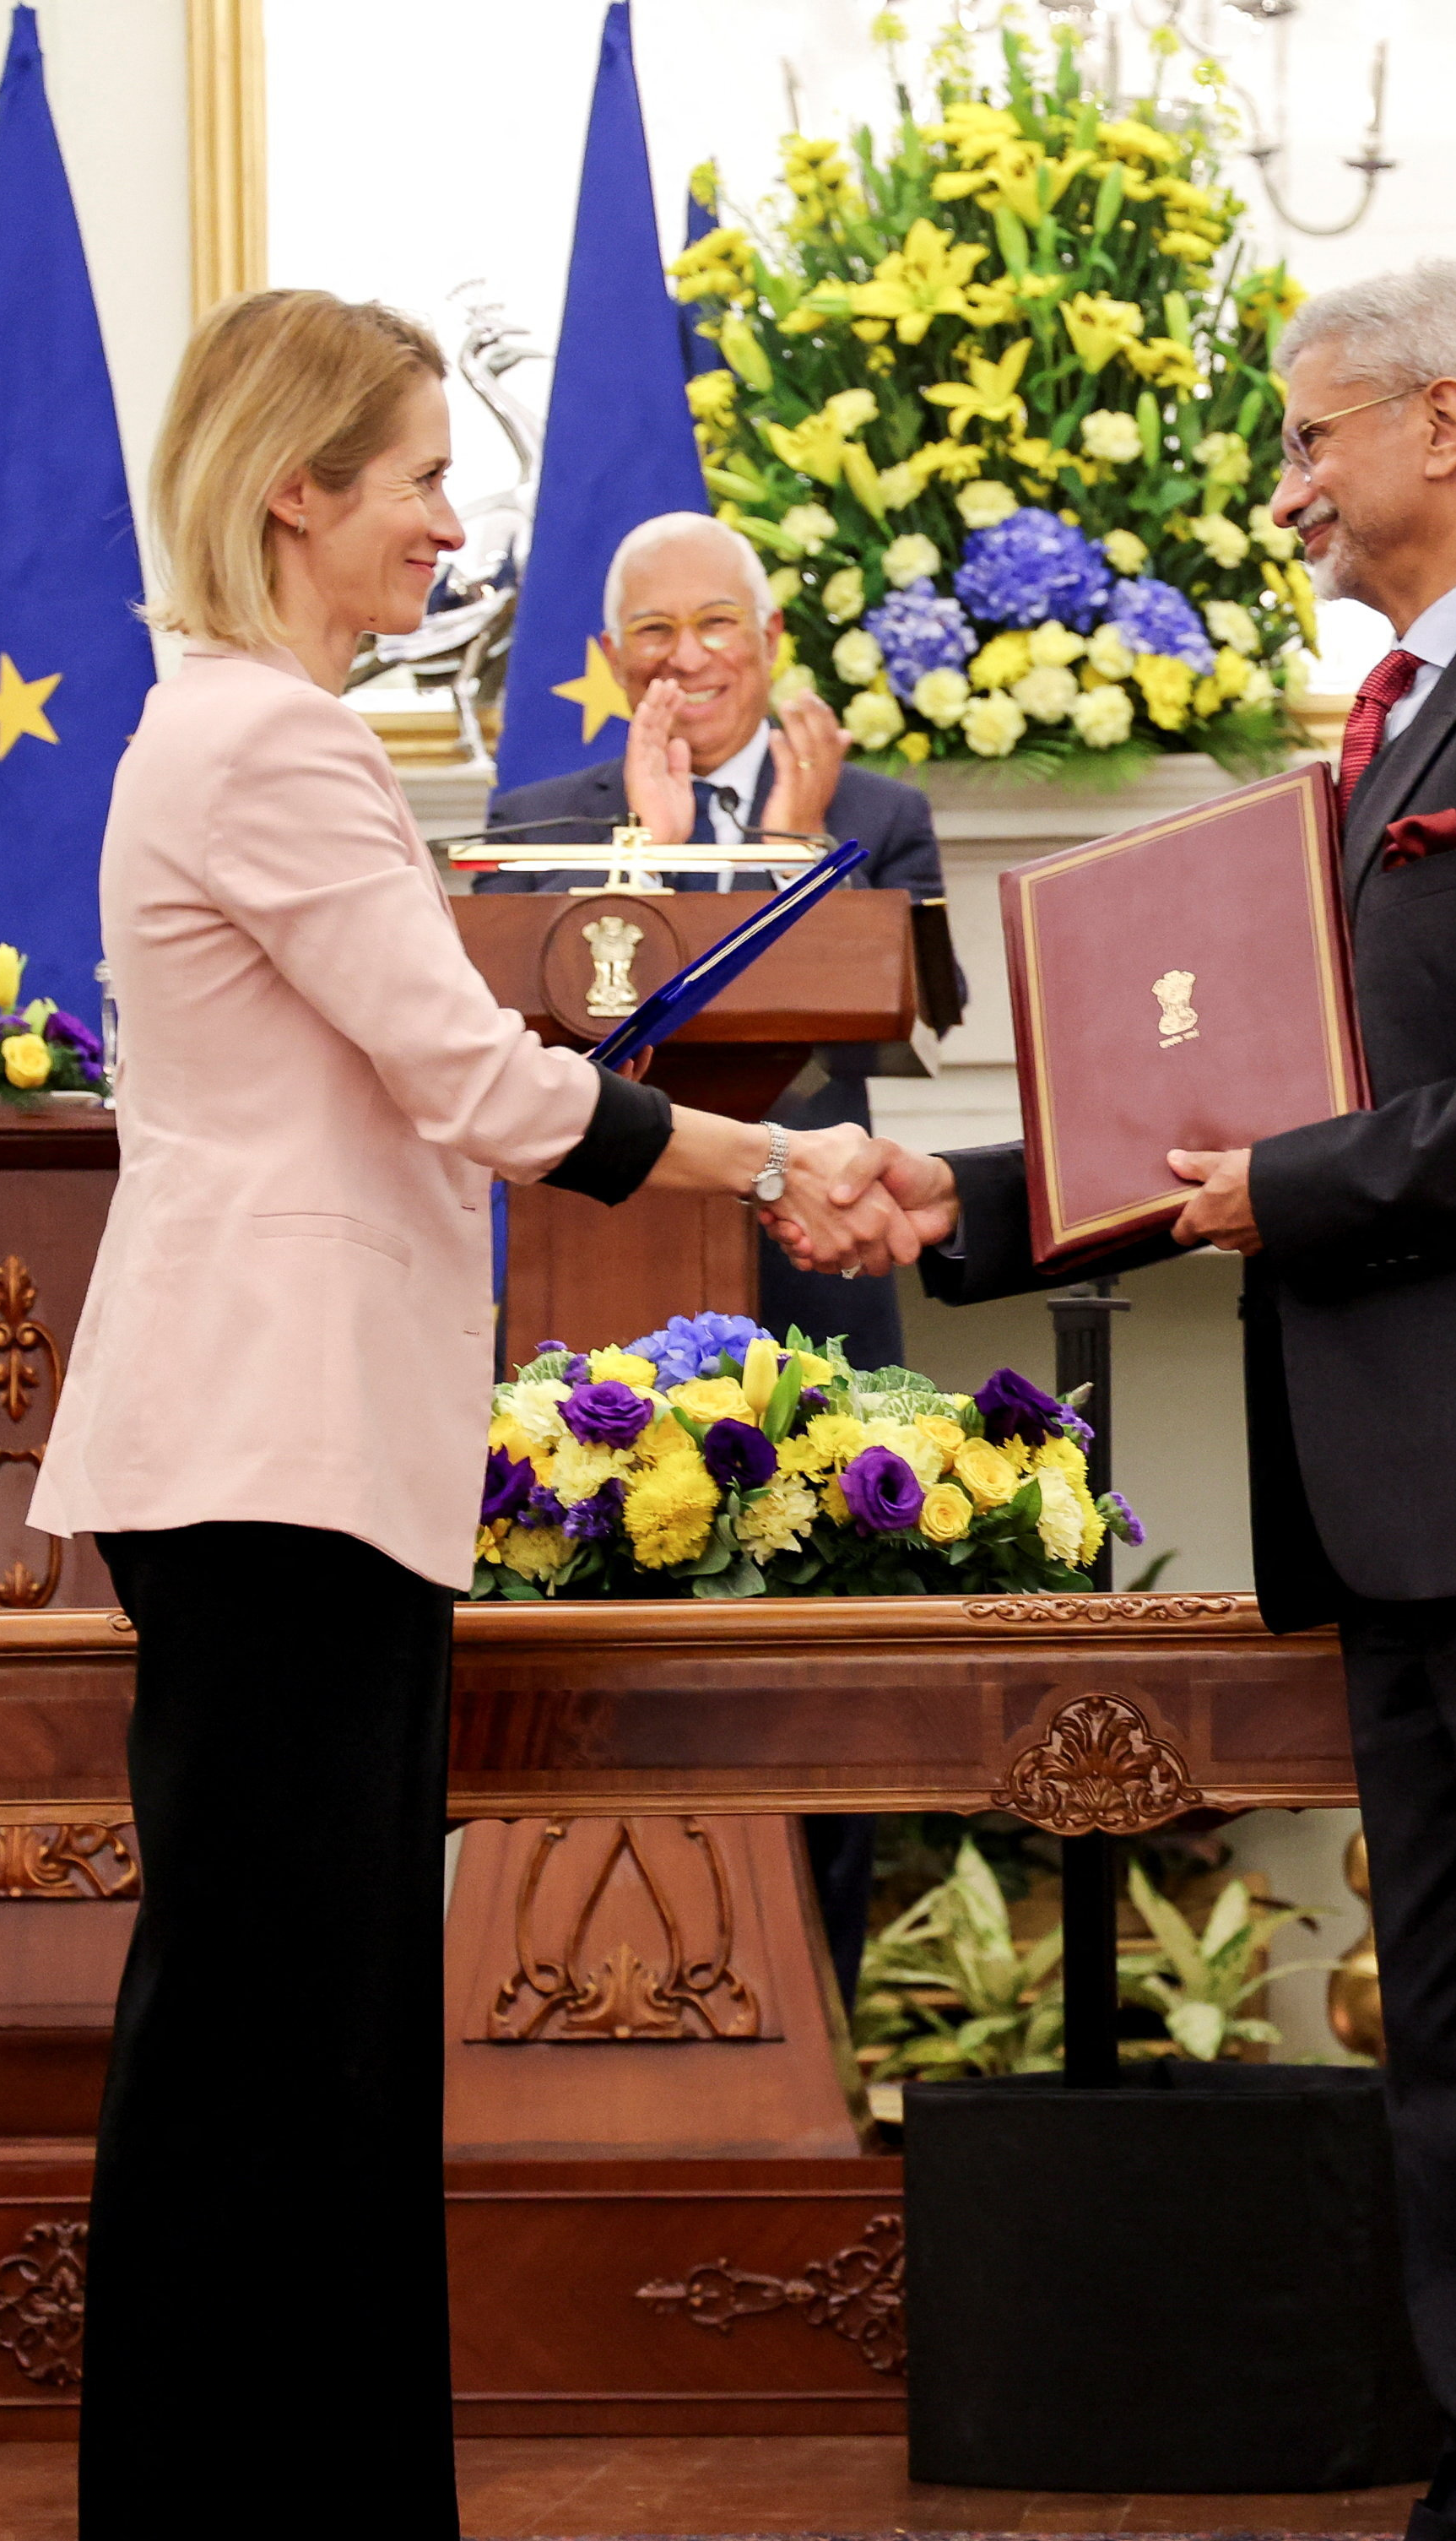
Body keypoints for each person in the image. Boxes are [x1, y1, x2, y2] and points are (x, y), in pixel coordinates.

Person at [799, 258, 1456, 2541]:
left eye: (1314, 437)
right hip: (1399, 1493)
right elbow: (1240, 1094)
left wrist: (1304, 1188)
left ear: (1440, 424)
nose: (1288, 482)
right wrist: (984, 1201)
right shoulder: (1385, 730)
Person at [24, 289, 929, 2541]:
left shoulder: (249, 732)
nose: (450, 516)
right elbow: (481, 1081)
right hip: (270, 1438)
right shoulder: (274, 742)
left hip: (297, 1442)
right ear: (295, 486)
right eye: (419, 472)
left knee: (317, 2001)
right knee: (259, 2007)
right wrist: (784, 1157)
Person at [475, 507, 953, 1991]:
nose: (690, 661)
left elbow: (912, 1015)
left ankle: (817, 1992)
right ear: (617, 661)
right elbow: (541, 1035)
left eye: (718, 629)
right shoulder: (547, 815)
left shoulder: (876, 804)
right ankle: (584, 1983)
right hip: (607, 1254)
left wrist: (796, 855)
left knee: (826, 1617)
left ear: (768, 642)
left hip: (820, 1245)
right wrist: (657, 853)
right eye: (657, 637)